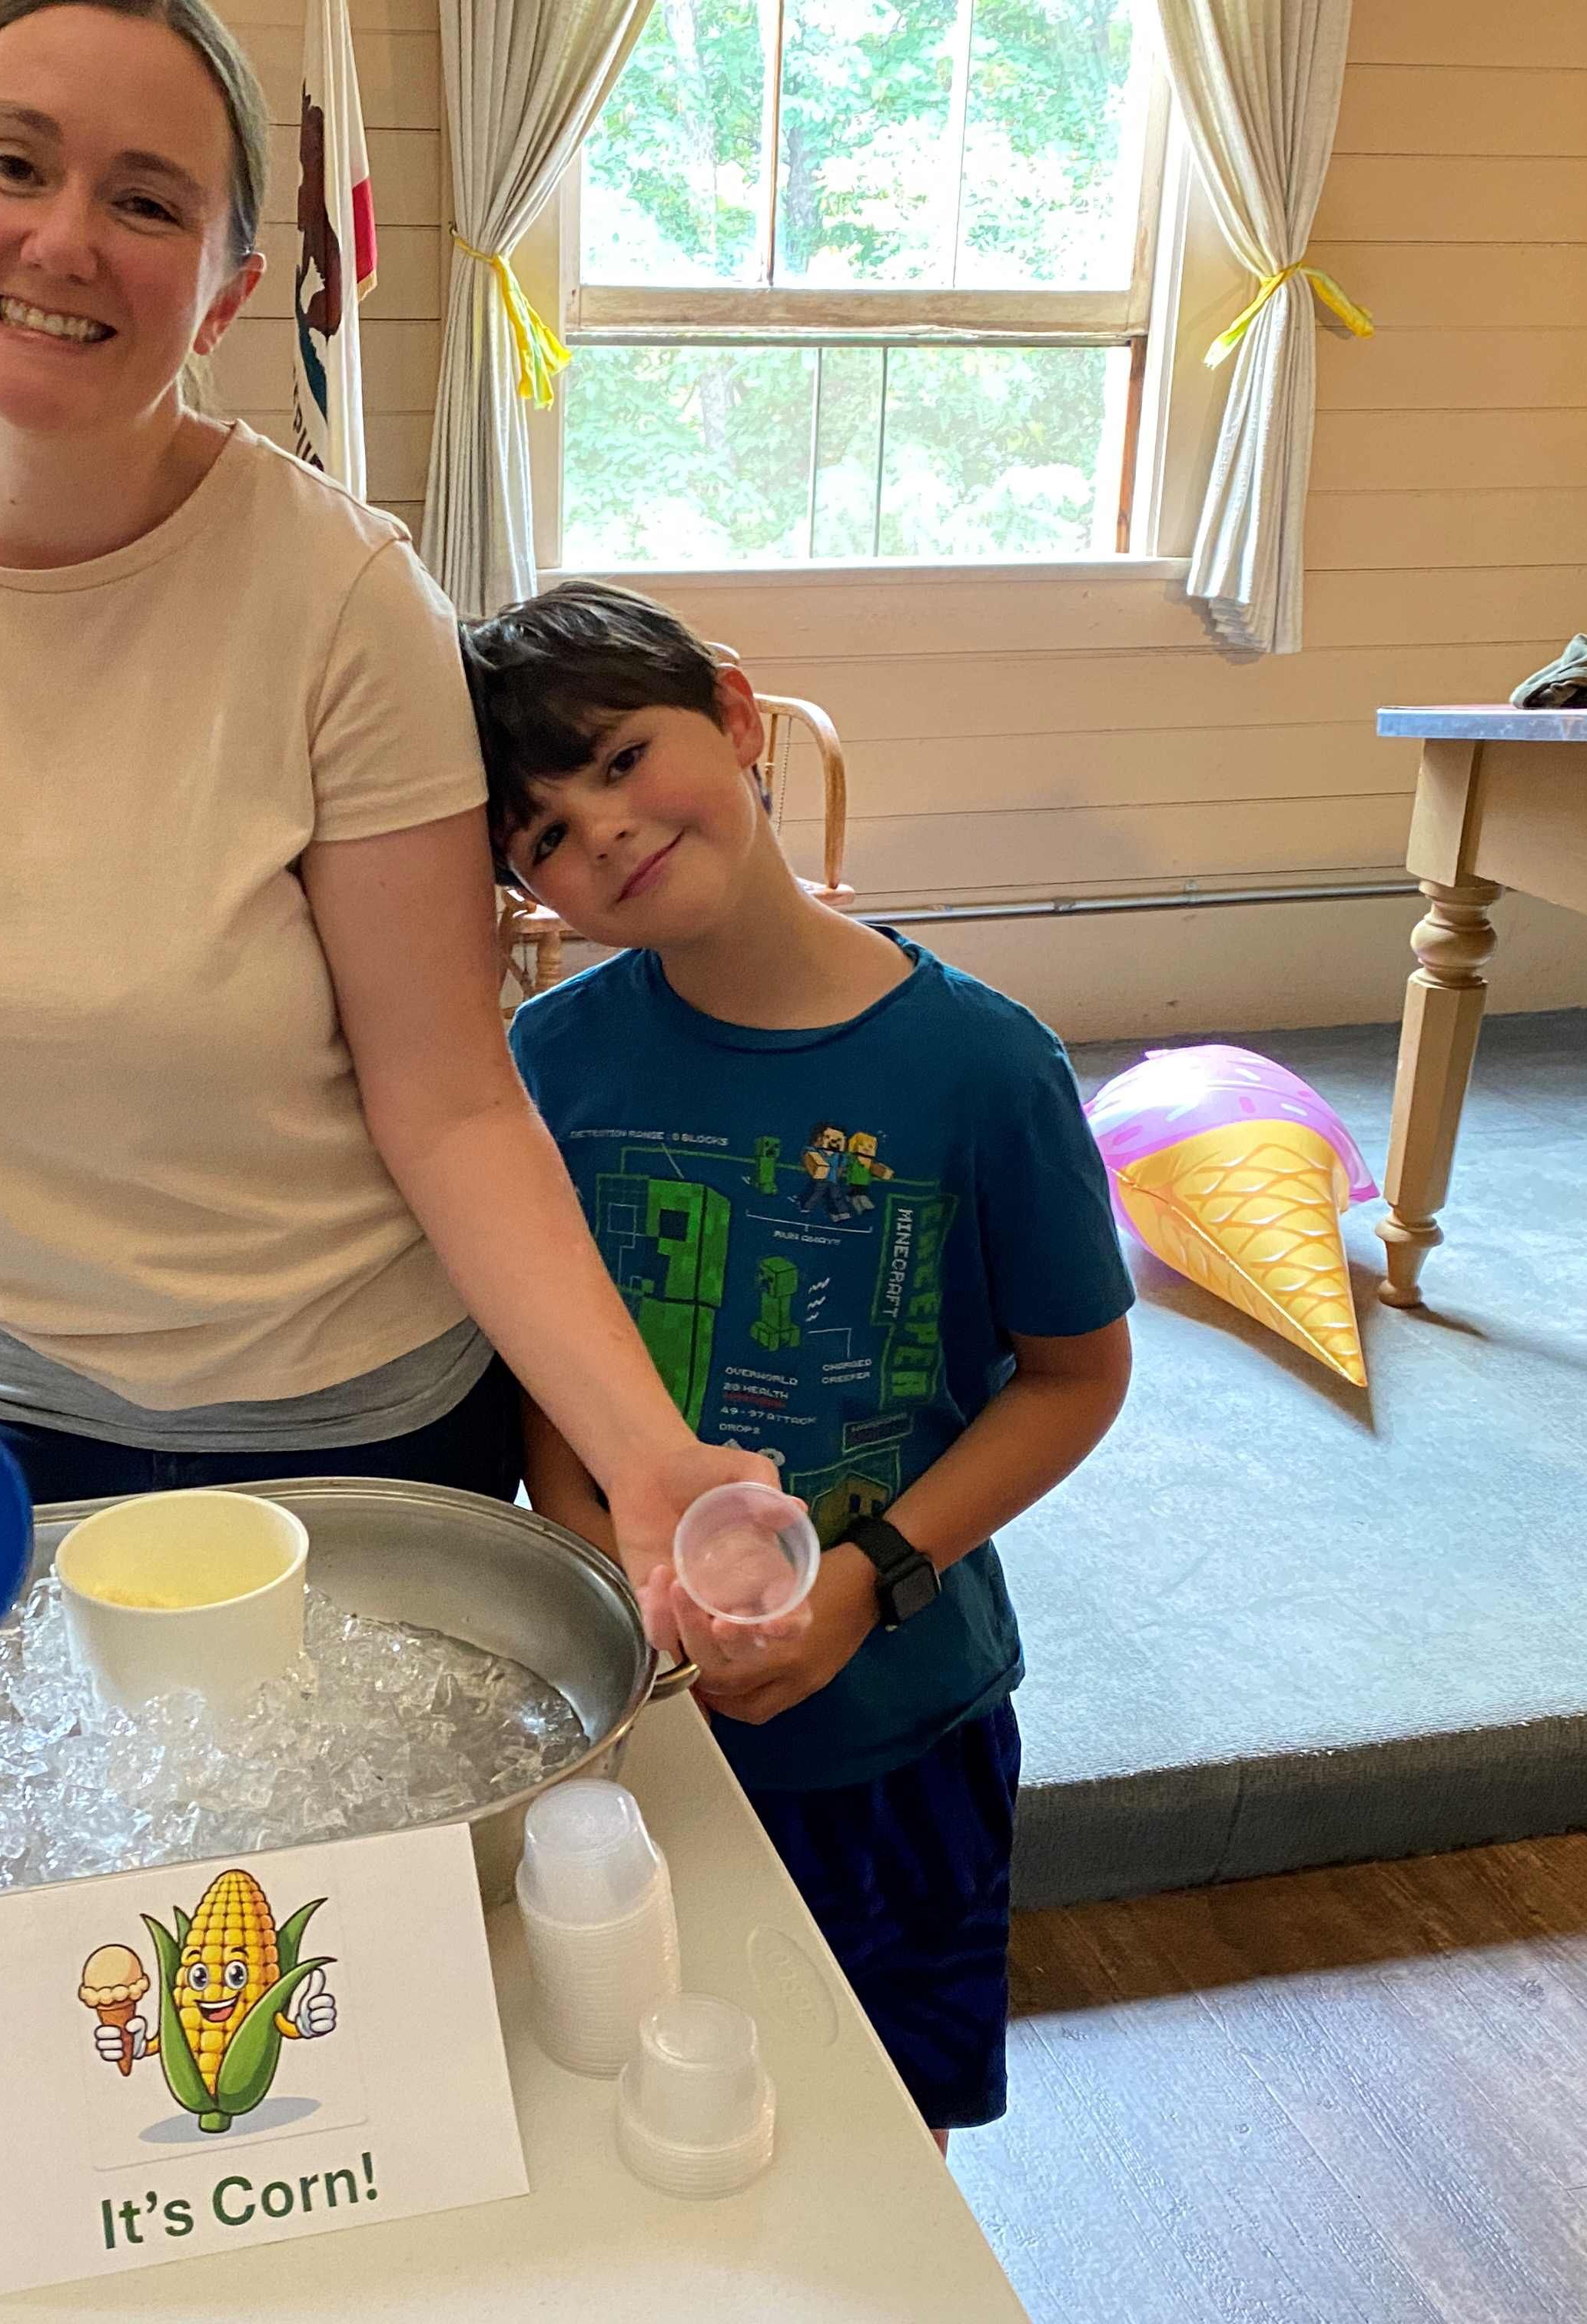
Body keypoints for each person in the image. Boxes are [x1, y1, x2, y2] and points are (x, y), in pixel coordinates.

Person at [0, 0, 766, 1558]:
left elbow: (451, 1105)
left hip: (363, 1431)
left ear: (229, 292)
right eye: (14, 166)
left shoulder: (346, 593)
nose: (65, 240)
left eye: (145, 200)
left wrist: (649, 1455)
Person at [467, 580, 1136, 2147]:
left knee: (890, 2138)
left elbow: (1075, 1377)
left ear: (738, 713)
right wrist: (609, 1598)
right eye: (544, 834)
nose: (604, 833)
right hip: (651, 1746)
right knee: (654, 2121)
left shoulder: (984, 1063)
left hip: (907, 1730)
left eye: (623, 760)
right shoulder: (543, 1072)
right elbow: (548, 1390)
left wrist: (869, 1581)